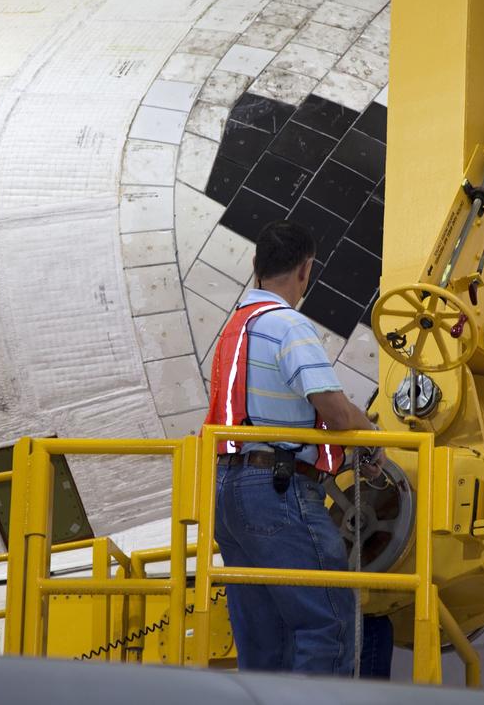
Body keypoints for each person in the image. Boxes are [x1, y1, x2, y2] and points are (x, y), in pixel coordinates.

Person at [202, 220, 382, 675]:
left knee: (263, 644)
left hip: (225, 490)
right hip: (278, 490)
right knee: (328, 625)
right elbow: (337, 415)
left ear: (255, 266)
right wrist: (374, 444)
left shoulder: (232, 332)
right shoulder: (288, 326)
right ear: (306, 270)